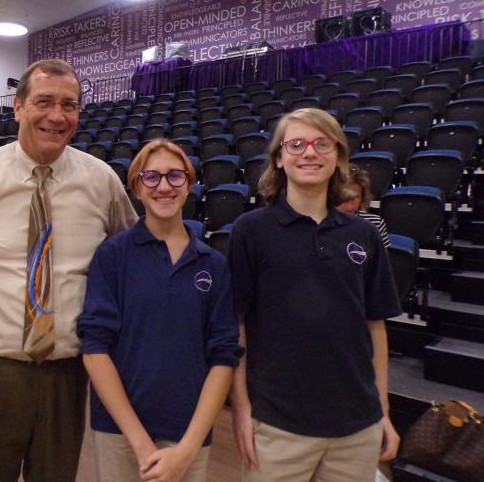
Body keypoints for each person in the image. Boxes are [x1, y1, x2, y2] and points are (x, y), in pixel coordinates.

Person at [0, 58, 137, 482]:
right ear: (18, 107)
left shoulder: (101, 181)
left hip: (66, 372)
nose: (57, 116)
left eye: (69, 105)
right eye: (43, 102)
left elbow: (133, 254)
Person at [228, 108, 402, 482]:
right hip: (277, 424)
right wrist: (241, 410)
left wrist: (383, 408)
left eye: (322, 143)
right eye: (296, 144)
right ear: (279, 158)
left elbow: (375, 326)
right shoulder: (250, 231)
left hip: (357, 427)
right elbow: (236, 325)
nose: (309, 152)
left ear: (338, 156)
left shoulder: (365, 235)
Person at [78, 140, 242, 482]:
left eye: (174, 176)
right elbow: (95, 350)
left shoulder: (215, 265)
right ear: (136, 187)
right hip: (119, 433)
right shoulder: (112, 256)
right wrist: (140, 444)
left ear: (191, 183)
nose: (164, 186)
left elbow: (224, 357)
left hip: (188, 433)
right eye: (151, 177)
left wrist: (188, 447)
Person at [337, 164, 391, 247]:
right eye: (343, 198)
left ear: (363, 196)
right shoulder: (317, 223)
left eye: (355, 198)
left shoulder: (375, 223)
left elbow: (383, 259)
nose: (349, 207)